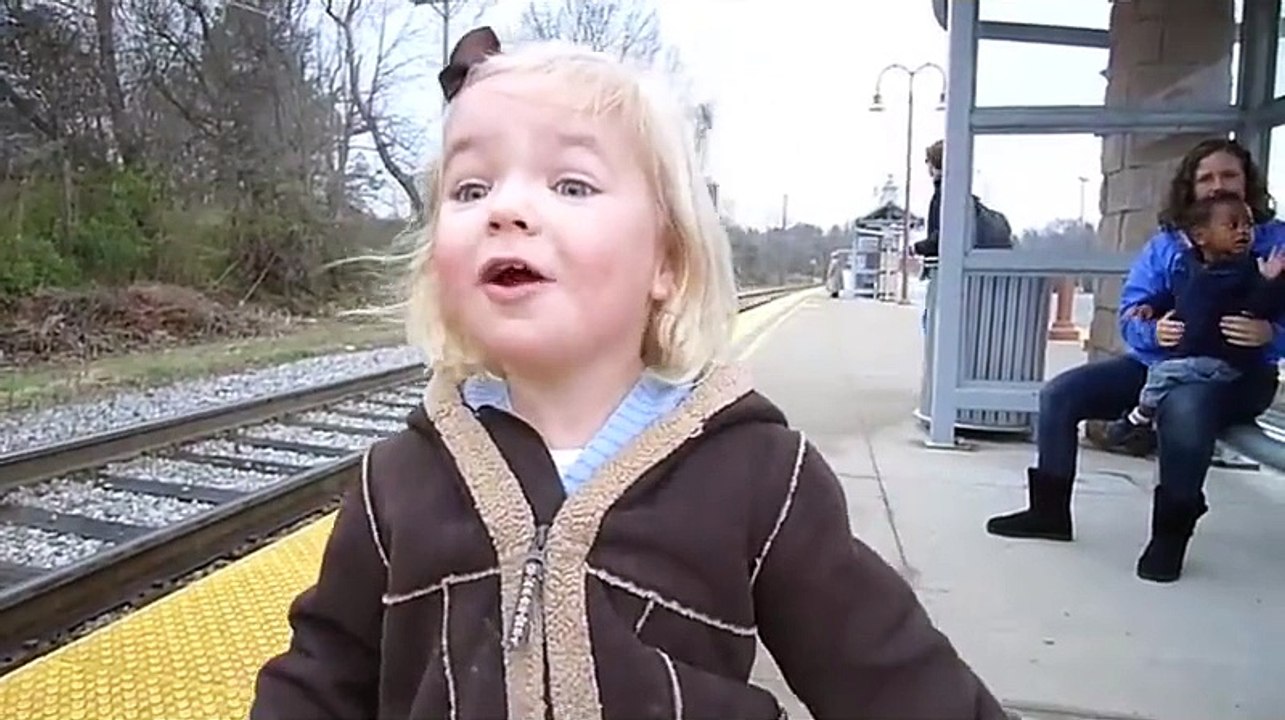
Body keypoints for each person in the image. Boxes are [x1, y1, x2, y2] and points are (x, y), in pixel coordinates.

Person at [249, 28, 1007, 720]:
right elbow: (321, 675)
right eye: (470, 189)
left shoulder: (760, 476)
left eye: (570, 184)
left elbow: (894, 678)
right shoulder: (396, 481)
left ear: (666, 264)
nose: (505, 209)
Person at [985, 138, 1285, 584]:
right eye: (1206, 178)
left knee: (1185, 408)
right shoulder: (1167, 246)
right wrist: (1152, 329)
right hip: (1163, 363)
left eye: (1229, 176)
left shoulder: (1275, 244)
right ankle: (1048, 513)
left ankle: (1169, 536)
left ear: (1249, 183)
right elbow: (1133, 312)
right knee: (1061, 394)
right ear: (1190, 187)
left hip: (1237, 374)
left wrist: (1271, 334)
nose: (1217, 185)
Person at [1105, 192, 1285, 447]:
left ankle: (1138, 419)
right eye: (1233, 225)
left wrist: (1268, 282)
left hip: (1223, 360)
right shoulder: (1189, 266)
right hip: (1189, 354)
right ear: (1200, 236)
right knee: (1165, 375)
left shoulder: (1249, 271)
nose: (1243, 232)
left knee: (1165, 376)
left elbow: (1260, 306)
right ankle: (1148, 426)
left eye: (1248, 225)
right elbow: (1177, 297)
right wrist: (1149, 308)